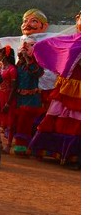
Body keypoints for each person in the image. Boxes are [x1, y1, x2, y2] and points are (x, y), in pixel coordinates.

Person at [29, 12, 81, 168]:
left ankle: (75, 156)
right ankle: (58, 152)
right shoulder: (73, 41)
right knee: (61, 114)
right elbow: (52, 46)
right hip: (68, 85)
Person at [7, 38, 44, 155]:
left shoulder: (36, 63)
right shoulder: (19, 65)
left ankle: (25, 147)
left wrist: (28, 58)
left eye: (28, 47)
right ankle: (15, 145)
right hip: (19, 98)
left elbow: (38, 73)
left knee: (27, 123)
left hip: (31, 99)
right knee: (17, 122)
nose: (24, 50)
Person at [0, 45, 18, 152]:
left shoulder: (12, 69)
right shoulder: (0, 67)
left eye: (0, 54)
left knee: (9, 122)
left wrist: (8, 103)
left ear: (5, 56)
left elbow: (14, 87)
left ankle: (8, 145)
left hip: (8, 98)